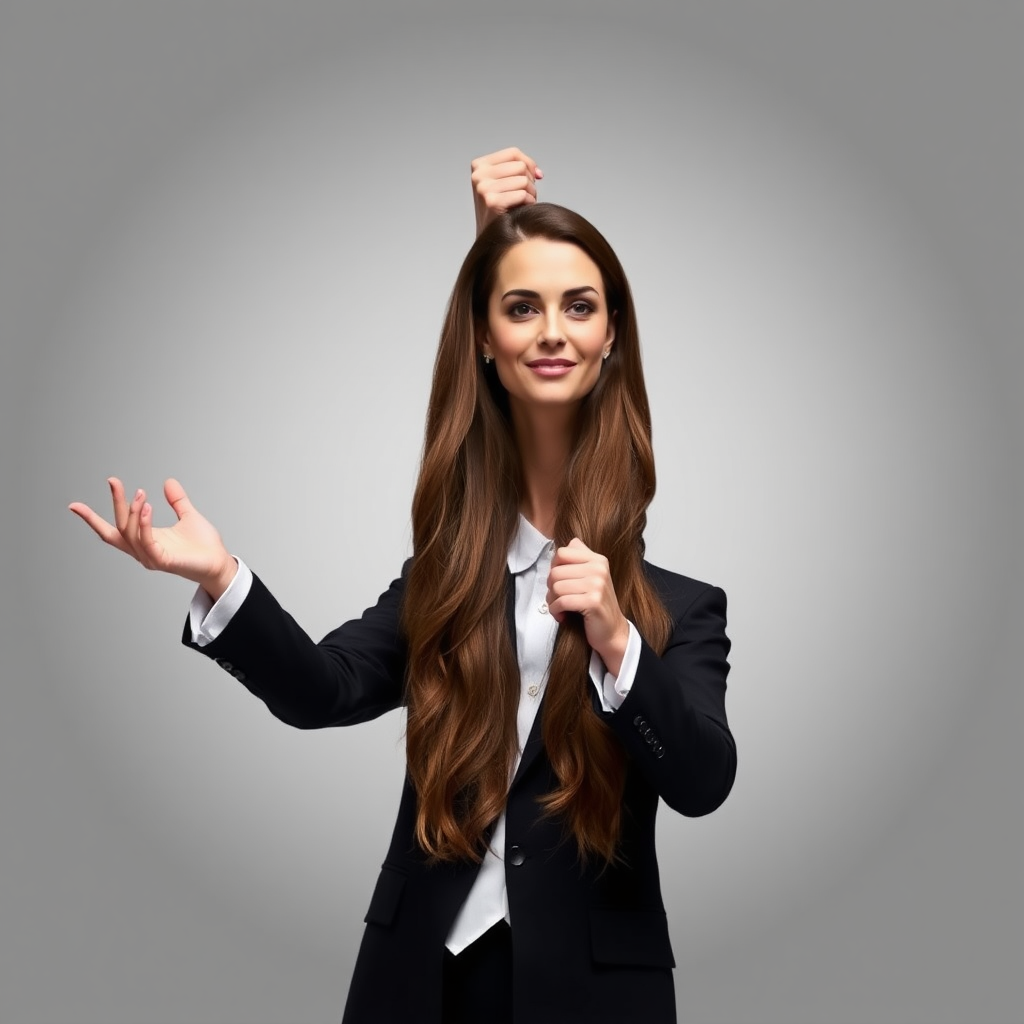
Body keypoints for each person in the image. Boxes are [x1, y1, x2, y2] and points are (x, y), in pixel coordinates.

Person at [69, 147, 736, 1024]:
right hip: (417, 983)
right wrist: (220, 578)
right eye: (522, 308)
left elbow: (702, 781)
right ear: (488, 343)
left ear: (612, 339)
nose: (551, 331)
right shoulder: (444, 581)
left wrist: (617, 640)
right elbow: (323, 690)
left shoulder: (682, 609)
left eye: (580, 307)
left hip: (593, 996)